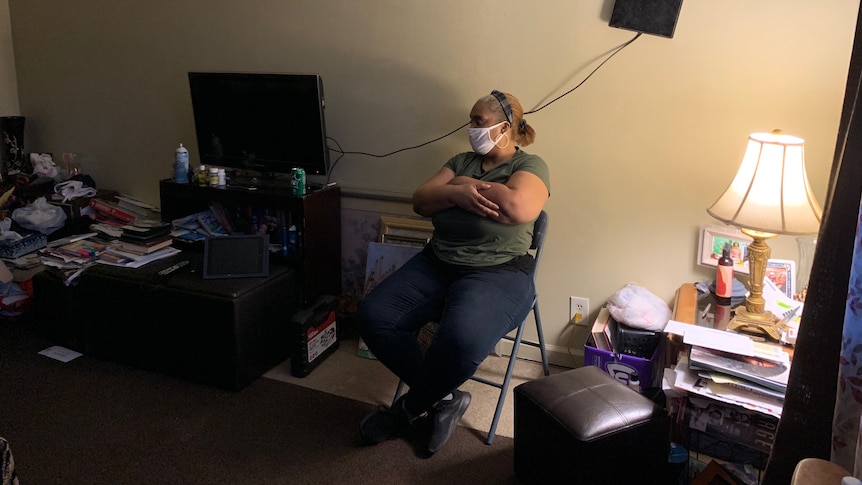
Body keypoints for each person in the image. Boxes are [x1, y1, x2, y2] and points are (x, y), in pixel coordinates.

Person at [357, 90, 551, 455]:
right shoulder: (460, 160)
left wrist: (458, 188)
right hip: (437, 263)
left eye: (479, 121)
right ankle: (445, 397)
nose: (472, 128)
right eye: (472, 121)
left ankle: (407, 411)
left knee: (460, 343)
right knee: (374, 316)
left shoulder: (530, 166)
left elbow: (517, 207)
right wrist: (458, 192)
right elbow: (420, 200)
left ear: (504, 127)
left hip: (500, 272)